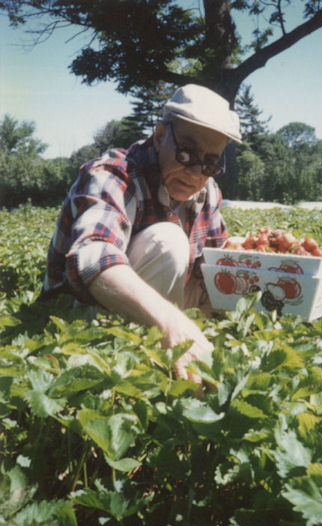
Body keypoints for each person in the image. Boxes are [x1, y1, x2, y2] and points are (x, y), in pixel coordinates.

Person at [39, 84, 242, 387]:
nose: (196, 173)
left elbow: (212, 270)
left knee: (232, 273)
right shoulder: (113, 174)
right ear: (160, 136)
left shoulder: (206, 190)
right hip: (78, 318)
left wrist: (250, 260)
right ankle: (148, 375)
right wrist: (172, 323)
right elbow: (93, 257)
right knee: (168, 242)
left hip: (156, 308)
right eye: (187, 154)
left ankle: (194, 367)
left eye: (211, 163)